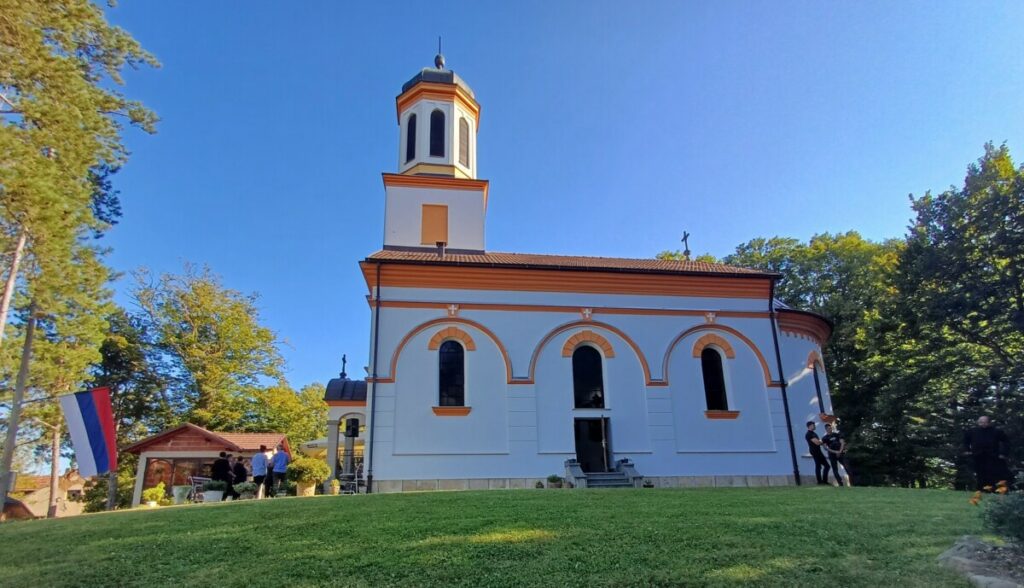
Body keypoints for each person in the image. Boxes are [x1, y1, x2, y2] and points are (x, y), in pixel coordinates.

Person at [964, 416, 1011, 491]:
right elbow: (965, 441)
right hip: (978, 456)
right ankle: (981, 490)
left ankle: (994, 490)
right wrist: (967, 450)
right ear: (978, 422)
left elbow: (1006, 442)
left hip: (993, 456)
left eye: (984, 422)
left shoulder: (997, 431)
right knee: (980, 474)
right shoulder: (972, 431)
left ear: (989, 422)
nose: (982, 424)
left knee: (993, 474)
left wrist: (1003, 453)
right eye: (981, 422)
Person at [805, 421, 833, 486]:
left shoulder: (814, 433)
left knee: (826, 466)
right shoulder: (809, 434)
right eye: (813, 425)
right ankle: (820, 482)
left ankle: (823, 481)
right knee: (819, 466)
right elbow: (817, 442)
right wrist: (825, 441)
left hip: (818, 451)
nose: (815, 426)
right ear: (810, 426)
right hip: (814, 451)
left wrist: (823, 443)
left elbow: (819, 442)